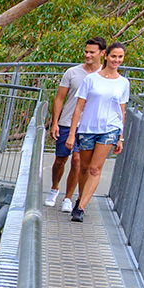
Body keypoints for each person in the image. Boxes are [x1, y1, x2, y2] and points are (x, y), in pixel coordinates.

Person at [61, 42, 132, 222]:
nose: (116, 60)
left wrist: (120, 137)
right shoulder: (91, 79)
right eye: (113, 56)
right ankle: (79, 198)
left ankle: (81, 208)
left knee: (94, 169)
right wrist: (71, 134)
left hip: (109, 129)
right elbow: (78, 108)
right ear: (106, 56)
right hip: (87, 129)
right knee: (83, 167)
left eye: (120, 57)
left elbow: (121, 111)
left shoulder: (123, 83)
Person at [45, 37, 104, 207]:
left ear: (102, 53)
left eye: (92, 52)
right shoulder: (72, 72)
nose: (87, 55)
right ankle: (54, 188)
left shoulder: (103, 76)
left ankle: (68, 198)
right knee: (60, 160)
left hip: (87, 127)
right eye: (86, 51)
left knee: (78, 160)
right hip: (66, 123)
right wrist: (55, 122)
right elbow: (60, 98)